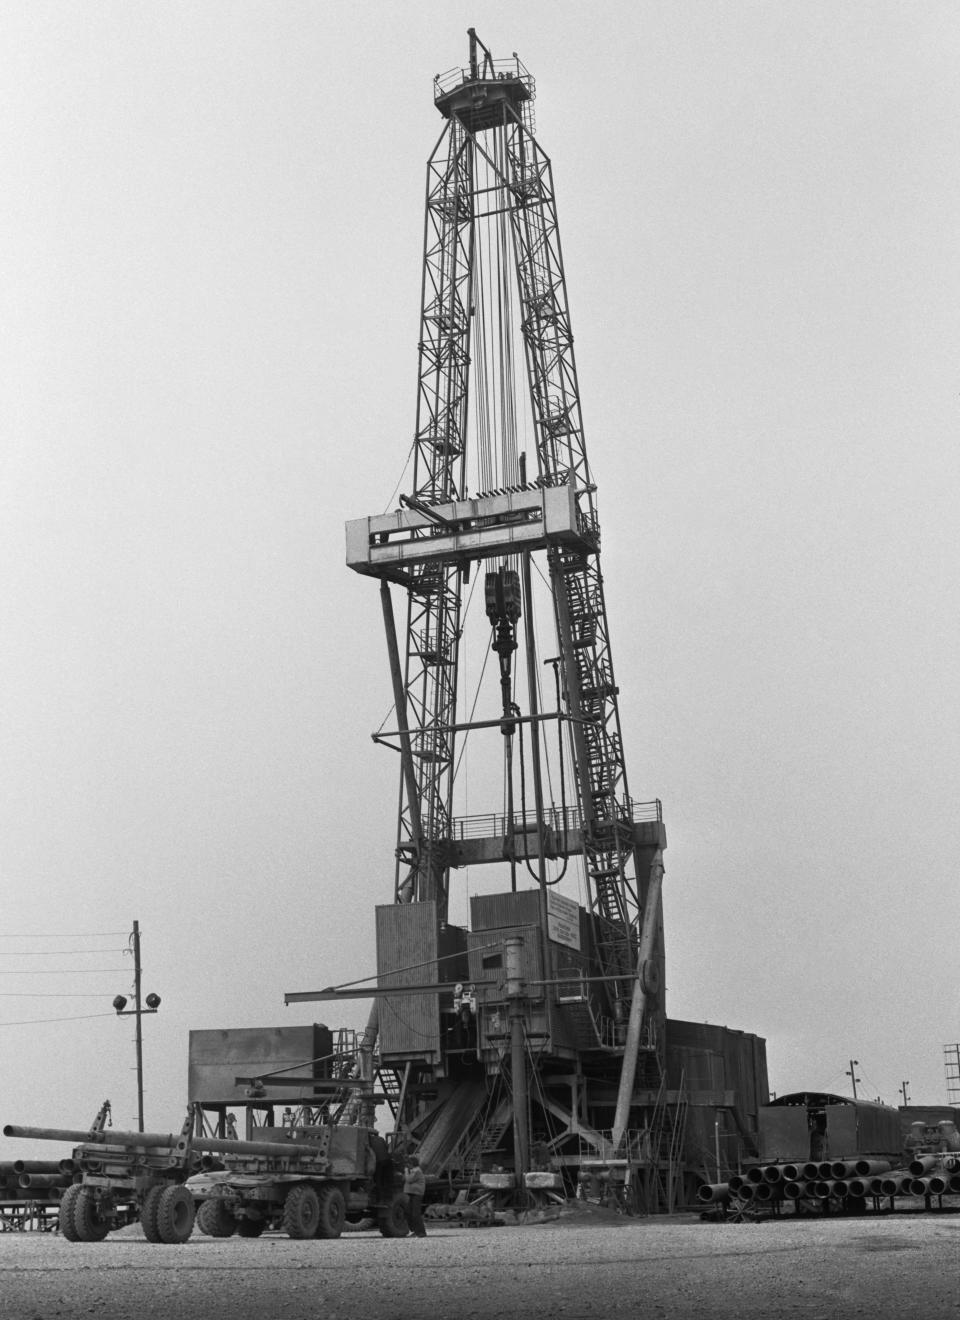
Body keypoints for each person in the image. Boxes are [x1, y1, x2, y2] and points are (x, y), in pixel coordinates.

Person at [403, 1155, 427, 1237]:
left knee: (415, 1213)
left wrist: (406, 1171)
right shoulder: (413, 1171)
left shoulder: (417, 1171)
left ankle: (421, 1232)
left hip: (417, 1194)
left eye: (408, 1164)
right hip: (412, 1194)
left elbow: (409, 1180)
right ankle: (414, 1230)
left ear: (412, 1164)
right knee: (408, 1212)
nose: (407, 1166)